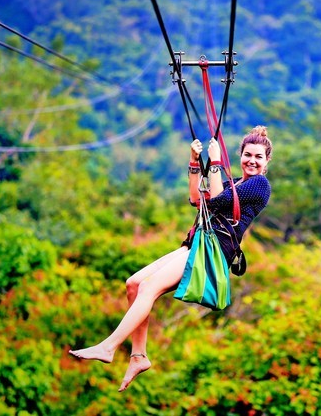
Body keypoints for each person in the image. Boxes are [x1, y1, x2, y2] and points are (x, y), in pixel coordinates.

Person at [69, 126, 272, 391]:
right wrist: (194, 162)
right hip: (197, 243)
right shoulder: (237, 183)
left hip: (211, 251)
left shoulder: (260, 185)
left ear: (267, 161)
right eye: (247, 155)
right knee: (134, 284)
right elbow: (195, 199)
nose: (252, 161)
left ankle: (109, 346)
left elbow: (217, 201)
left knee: (149, 288)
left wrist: (215, 164)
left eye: (258, 157)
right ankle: (139, 356)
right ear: (241, 155)